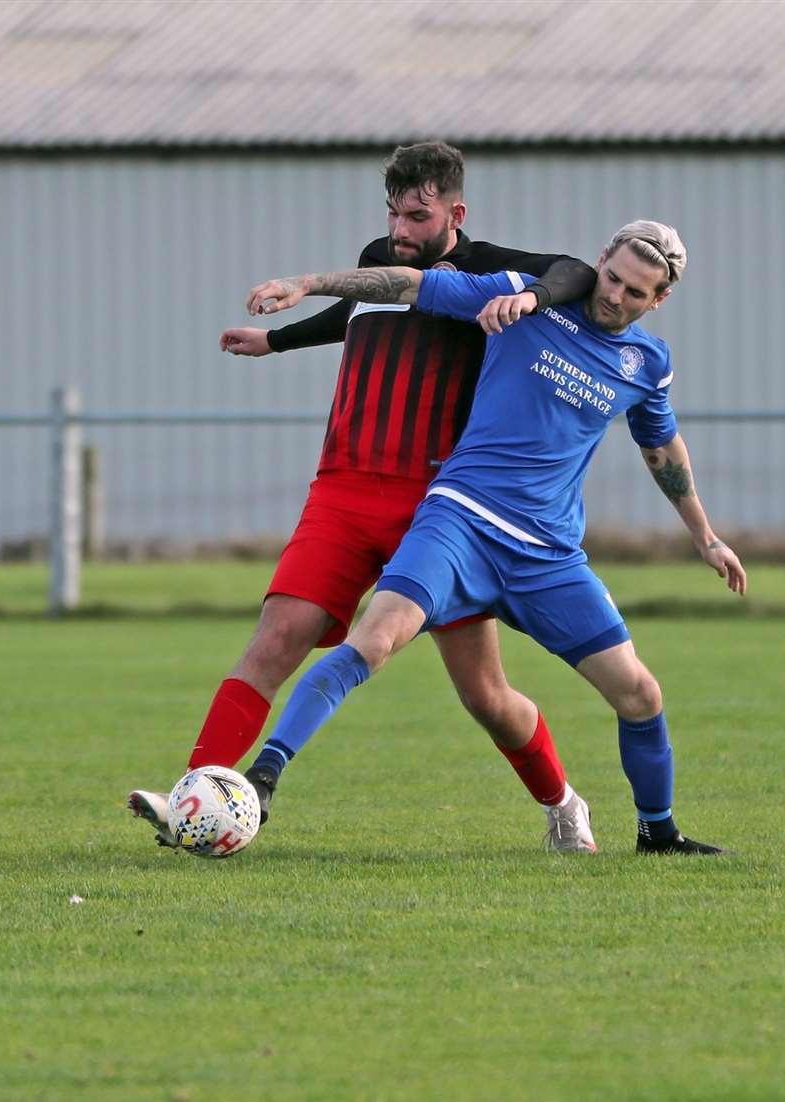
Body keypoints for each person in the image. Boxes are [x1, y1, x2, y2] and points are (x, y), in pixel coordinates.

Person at [128, 141, 602, 853]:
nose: (400, 230)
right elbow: (354, 311)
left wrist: (529, 296)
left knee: (486, 697)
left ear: (455, 211)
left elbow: (580, 273)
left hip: (439, 507)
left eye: (417, 215)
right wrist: (277, 341)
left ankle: (563, 803)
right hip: (342, 491)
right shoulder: (377, 259)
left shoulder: (486, 272)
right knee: (276, 640)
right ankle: (194, 799)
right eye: (392, 214)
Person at [239, 219, 747, 854]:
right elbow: (410, 284)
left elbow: (661, 445)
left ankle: (658, 833)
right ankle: (261, 780)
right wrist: (306, 283)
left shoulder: (646, 362)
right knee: (374, 640)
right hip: (460, 521)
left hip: (548, 556)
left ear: (658, 300)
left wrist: (704, 536)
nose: (615, 295)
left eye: (635, 292)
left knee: (639, 692)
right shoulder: (521, 299)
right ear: (601, 262)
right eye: (612, 278)